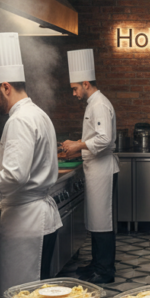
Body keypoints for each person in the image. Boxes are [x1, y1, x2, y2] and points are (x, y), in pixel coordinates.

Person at [0, 33, 60, 292]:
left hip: (27, 223)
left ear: (6, 87)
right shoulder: (37, 113)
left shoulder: (19, 120)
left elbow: (15, 175)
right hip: (37, 219)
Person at [60, 49, 119, 284]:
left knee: (102, 220)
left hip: (102, 169)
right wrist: (79, 144)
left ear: (86, 83)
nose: (74, 94)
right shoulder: (93, 103)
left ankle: (105, 271)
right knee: (96, 220)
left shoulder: (99, 104)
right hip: (95, 169)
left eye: (75, 88)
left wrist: (78, 146)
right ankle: (96, 263)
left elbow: (104, 139)